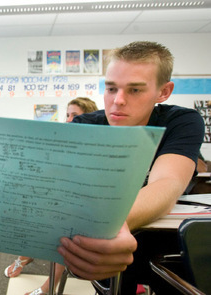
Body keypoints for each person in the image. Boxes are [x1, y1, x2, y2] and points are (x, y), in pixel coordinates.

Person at [72, 41, 204, 293]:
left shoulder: (181, 121)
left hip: (162, 241)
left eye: (134, 90)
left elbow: (167, 183)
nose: (117, 101)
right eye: (111, 88)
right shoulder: (85, 124)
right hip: (100, 240)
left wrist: (108, 224)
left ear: (163, 91)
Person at [5, 97, 99, 295]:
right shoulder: (65, 144)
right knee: (36, 213)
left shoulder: (96, 147)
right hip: (64, 202)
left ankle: (48, 287)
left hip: (87, 210)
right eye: (68, 115)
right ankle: (25, 256)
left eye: (75, 115)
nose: (69, 119)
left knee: (65, 229)